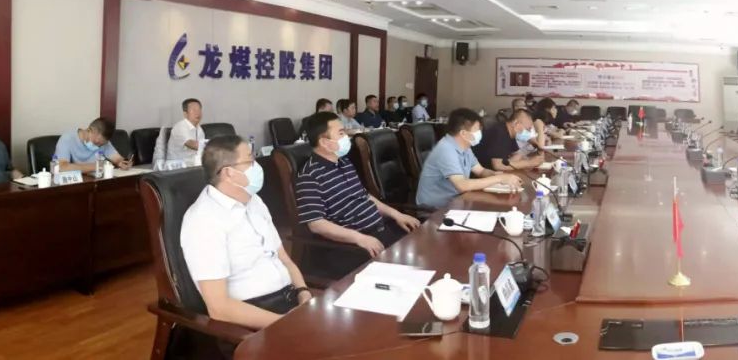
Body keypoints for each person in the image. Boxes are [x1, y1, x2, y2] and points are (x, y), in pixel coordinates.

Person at [180, 135, 311, 330]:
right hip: (253, 320)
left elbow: (283, 259)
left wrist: (303, 292)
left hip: (290, 301)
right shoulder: (203, 220)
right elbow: (219, 308)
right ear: (228, 173)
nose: (257, 167)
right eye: (250, 161)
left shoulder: (254, 200)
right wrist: (285, 325)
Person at [295, 112, 421, 278]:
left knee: (420, 249)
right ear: (324, 142)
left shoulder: (344, 162)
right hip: (351, 245)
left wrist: (397, 215)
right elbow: (317, 224)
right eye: (341, 133)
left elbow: (365, 196)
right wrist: (359, 238)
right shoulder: (309, 175)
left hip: (379, 229)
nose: (346, 137)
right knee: (406, 273)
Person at [416, 108, 523, 209]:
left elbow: (480, 171)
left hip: (457, 201)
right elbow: (462, 185)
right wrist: (499, 179)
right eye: (477, 130)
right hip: (435, 209)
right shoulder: (446, 149)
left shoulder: (465, 147)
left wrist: (498, 175)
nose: (480, 133)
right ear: (463, 133)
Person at [473, 109, 544, 171]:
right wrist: (529, 163)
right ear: (516, 123)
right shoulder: (499, 132)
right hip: (481, 174)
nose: (529, 132)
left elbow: (517, 155)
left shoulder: (509, 132)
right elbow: (497, 165)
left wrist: (511, 164)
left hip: (494, 172)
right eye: (527, 129)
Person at [54, 117, 132, 173]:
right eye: (96, 143)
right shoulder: (67, 138)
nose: (97, 146)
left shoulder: (103, 142)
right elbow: (61, 167)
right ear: (89, 130)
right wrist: (97, 166)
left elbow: (117, 159)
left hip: (95, 182)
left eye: (101, 145)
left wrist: (122, 163)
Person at [167, 98, 205, 164]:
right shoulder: (180, 127)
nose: (197, 113)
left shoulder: (199, 129)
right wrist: (214, 147)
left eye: (199, 109)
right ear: (185, 114)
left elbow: (201, 149)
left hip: (192, 163)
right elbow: (192, 144)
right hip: (177, 165)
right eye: (194, 110)